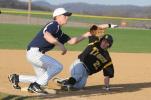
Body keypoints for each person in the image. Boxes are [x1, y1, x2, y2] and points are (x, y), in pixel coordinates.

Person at [8, 8, 91, 94]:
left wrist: (87, 34)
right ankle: (35, 86)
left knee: (43, 80)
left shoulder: (59, 32)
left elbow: (72, 41)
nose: (67, 18)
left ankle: (17, 78)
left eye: (67, 16)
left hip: (35, 54)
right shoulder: (54, 24)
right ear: (57, 16)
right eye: (65, 16)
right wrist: (60, 45)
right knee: (58, 66)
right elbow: (47, 35)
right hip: (35, 53)